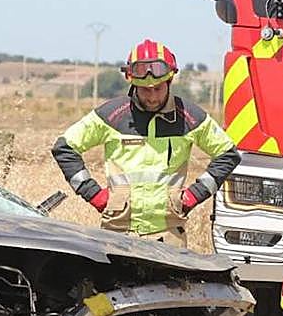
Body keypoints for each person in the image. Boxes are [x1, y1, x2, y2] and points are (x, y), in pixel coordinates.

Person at [52, 39, 240, 247]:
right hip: (117, 233)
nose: (152, 97)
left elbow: (228, 154)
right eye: (145, 90)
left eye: (158, 89)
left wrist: (193, 196)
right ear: (133, 84)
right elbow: (65, 148)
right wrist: (94, 195)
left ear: (169, 81)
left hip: (169, 235)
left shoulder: (188, 115)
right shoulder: (112, 114)